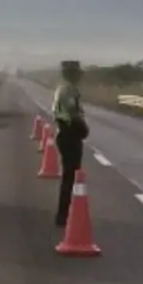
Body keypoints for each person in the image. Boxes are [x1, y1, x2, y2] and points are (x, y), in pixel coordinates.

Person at [51, 60, 89, 227]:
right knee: (70, 176)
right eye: (76, 72)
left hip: (66, 133)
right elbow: (72, 113)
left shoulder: (65, 88)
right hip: (69, 133)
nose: (79, 75)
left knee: (70, 175)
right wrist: (82, 127)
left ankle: (65, 214)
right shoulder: (68, 90)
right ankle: (63, 215)